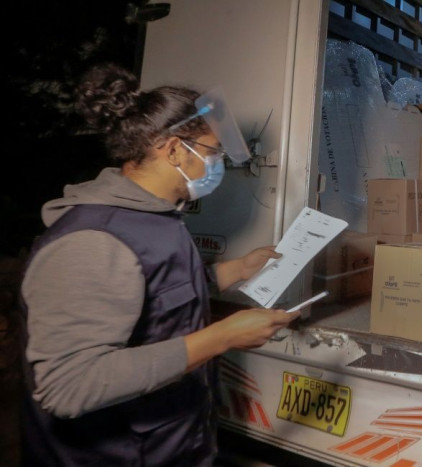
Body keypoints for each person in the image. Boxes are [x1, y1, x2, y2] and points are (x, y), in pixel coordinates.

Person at [19, 62, 299, 466]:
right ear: (172, 150)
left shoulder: (157, 216)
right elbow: (68, 386)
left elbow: (160, 292)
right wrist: (221, 337)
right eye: (213, 153)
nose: (218, 164)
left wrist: (237, 269)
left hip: (173, 448)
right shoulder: (94, 241)